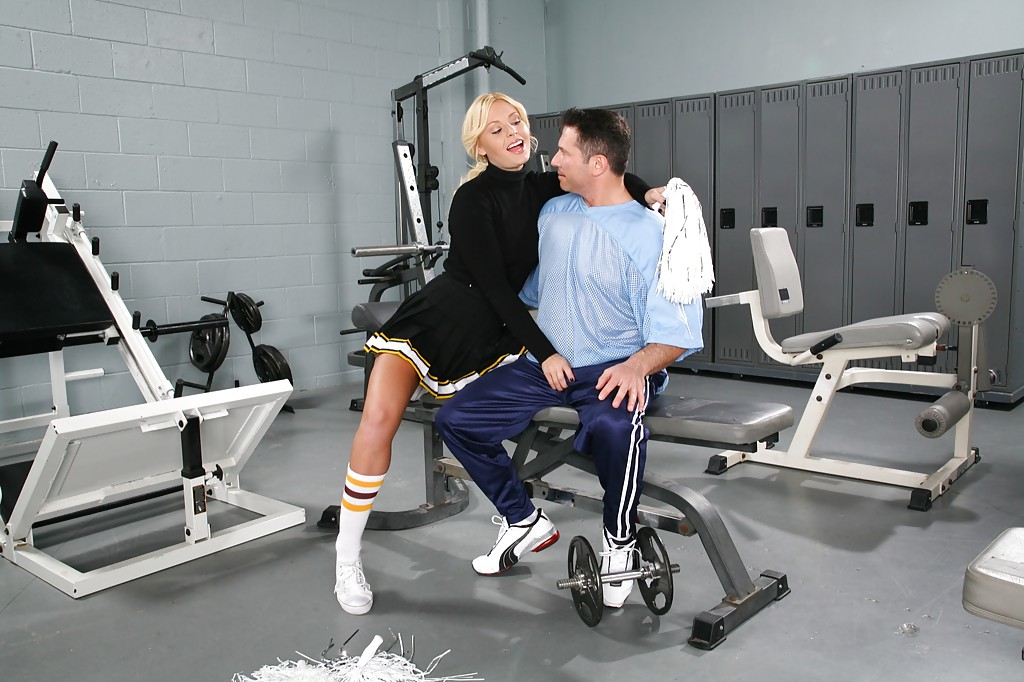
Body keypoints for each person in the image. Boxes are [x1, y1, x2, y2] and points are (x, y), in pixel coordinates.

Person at [334, 93, 663, 615]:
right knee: (378, 422)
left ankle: (524, 520)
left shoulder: (544, 188)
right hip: (442, 321)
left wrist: (649, 195)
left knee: (474, 420)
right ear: (479, 147)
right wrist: (546, 351)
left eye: (516, 121)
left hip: (496, 338)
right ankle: (346, 559)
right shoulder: (471, 199)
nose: (512, 133)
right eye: (496, 129)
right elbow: (494, 289)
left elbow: (607, 177)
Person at [434, 107, 704, 609]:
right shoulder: (553, 213)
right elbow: (523, 289)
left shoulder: (651, 234)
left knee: (616, 428)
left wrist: (637, 367)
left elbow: (681, 330)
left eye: (563, 152)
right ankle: (522, 519)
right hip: (548, 364)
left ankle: (619, 542)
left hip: (615, 366)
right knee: (457, 419)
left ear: (596, 163)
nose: (552, 159)